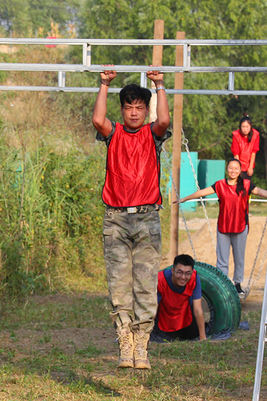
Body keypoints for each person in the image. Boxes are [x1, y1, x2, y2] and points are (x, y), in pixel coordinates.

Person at [92, 68, 171, 370]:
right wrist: (104, 84)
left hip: (146, 218)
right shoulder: (114, 134)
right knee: (119, 285)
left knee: (146, 285)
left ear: (145, 110)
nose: (134, 112)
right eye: (129, 107)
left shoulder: (152, 134)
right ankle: (125, 340)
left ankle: (142, 344)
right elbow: (99, 120)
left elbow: (163, 120)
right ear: (123, 110)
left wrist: (159, 85)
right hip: (116, 220)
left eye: (140, 107)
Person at [178, 158, 267, 295]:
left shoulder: (246, 184)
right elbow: (202, 193)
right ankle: (223, 284)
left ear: (240, 170)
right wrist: (185, 198)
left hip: (240, 226)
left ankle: (237, 285)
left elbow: (262, 192)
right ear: (227, 169)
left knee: (239, 258)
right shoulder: (220, 185)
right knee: (222, 259)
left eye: (236, 168)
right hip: (223, 227)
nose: (233, 171)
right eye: (230, 168)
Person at [152, 254, 207, 342]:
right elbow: (153, 310)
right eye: (179, 272)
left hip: (184, 317)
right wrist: (146, 336)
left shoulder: (194, 279)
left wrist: (203, 337)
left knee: (192, 334)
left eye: (187, 273)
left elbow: (197, 309)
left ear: (192, 272)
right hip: (164, 318)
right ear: (173, 270)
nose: (183, 277)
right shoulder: (160, 280)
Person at [231, 115, 260, 180]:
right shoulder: (236, 135)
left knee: (247, 186)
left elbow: (254, 152)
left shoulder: (255, 135)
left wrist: (250, 167)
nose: (245, 129)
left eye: (247, 127)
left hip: (249, 164)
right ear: (240, 127)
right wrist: (238, 169)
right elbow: (236, 154)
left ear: (250, 126)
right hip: (238, 164)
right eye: (243, 127)